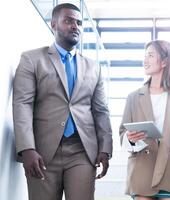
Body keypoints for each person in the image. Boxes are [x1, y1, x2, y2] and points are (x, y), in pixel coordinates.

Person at [13, 3, 113, 200]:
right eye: (68, 21)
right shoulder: (32, 59)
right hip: (42, 151)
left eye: (79, 22)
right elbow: (22, 104)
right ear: (54, 25)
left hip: (82, 150)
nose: (75, 26)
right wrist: (27, 148)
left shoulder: (94, 67)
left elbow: (101, 111)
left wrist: (105, 148)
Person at [119, 40, 170, 200]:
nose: (145, 60)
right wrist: (130, 138)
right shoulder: (133, 97)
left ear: (165, 61)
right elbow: (122, 133)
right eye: (145, 55)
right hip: (142, 169)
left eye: (151, 55)